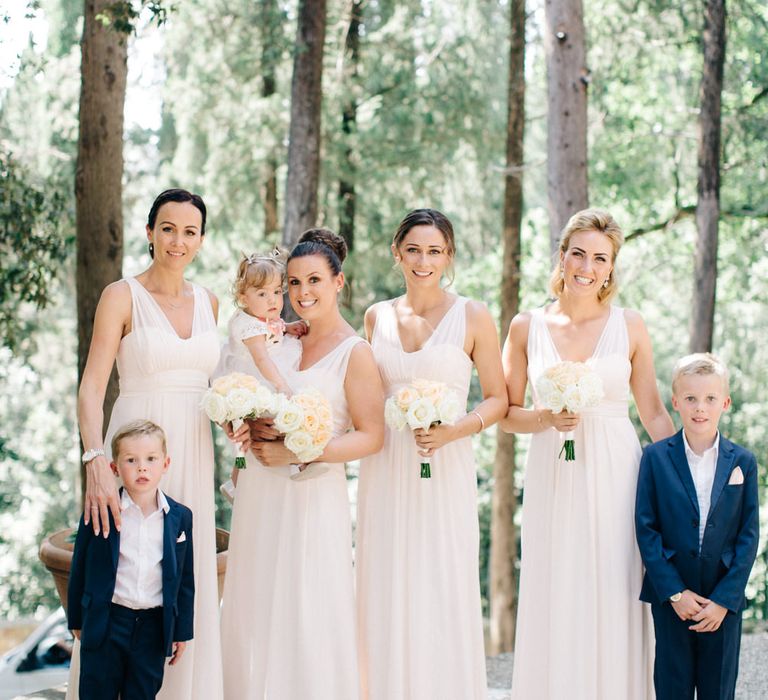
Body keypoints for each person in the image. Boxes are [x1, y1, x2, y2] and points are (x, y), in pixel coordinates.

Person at [501, 208, 675, 699]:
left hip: (618, 471)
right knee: (557, 582)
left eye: (601, 258)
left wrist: (679, 479)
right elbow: (508, 415)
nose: (587, 265)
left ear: (611, 267)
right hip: (551, 468)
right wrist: (545, 419)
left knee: (614, 583)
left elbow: (655, 413)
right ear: (562, 255)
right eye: (578, 253)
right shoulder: (525, 326)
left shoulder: (630, 325)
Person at [220, 228, 385, 699]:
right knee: (256, 605)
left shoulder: (356, 353)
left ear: (338, 282)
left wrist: (302, 450)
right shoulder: (280, 342)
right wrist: (237, 423)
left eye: (313, 280)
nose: (301, 293)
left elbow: (371, 437)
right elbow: (245, 389)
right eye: (292, 283)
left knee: (307, 607)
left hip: (313, 498)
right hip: (259, 493)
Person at [73, 189, 223, 699]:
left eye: (189, 231)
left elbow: (221, 383)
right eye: (167, 228)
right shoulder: (122, 296)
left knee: (180, 572)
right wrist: (95, 460)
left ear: (201, 239)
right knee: (120, 567)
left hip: (192, 452)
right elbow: (92, 386)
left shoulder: (211, 301)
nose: (177, 240)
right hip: (132, 448)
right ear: (149, 232)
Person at [355, 208, 508, 700]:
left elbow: (499, 398)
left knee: (441, 576)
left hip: (447, 461)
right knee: (386, 576)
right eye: (414, 249)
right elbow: (362, 393)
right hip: (386, 464)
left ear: (449, 257)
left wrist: (455, 430)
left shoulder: (474, 315)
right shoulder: (376, 316)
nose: (424, 260)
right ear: (397, 252)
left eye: (435, 251)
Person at [635, 353, 759, 700]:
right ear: (675, 402)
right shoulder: (655, 458)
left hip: (722, 602)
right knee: (671, 688)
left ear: (725, 402)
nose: (699, 408)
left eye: (709, 399)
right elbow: (646, 529)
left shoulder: (744, 462)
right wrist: (674, 592)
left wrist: (724, 600)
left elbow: (749, 536)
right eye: (690, 398)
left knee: (718, 691)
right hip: (673, 598)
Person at [68, 420, 194, 700]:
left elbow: (184, 579)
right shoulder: (99, 509)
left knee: (143, 694)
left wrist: (181, 630)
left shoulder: (180, 517)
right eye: (131, 460)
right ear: (114, 468)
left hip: (152, 627)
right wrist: (76, 618)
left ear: (166, 463)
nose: (142, 467)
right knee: (96, 691)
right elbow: (80, 566)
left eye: (151, 459)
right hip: (108, 621)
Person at [216, 248, 306, 498]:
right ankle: (238, 482)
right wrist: (281, 385)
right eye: (262, 293)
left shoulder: (259, 318)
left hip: (253, 377)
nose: (273, 300)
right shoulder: (250, 327)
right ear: (244, 297)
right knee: (260, 431)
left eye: (277, 292)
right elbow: (262, 358)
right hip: (253, 382)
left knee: (257, 434)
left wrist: (286, 327)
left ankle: (237, 482)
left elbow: (272, 330)